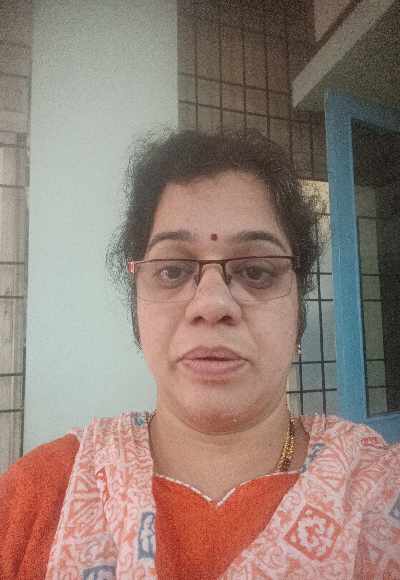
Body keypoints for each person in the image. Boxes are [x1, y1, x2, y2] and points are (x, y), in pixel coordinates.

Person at [0, 129, 399, 580]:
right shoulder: (35, 498)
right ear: (137, 309)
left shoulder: (378, 492)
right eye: (172, 270)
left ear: (298, 311)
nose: (212, 304)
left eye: (256, 271)